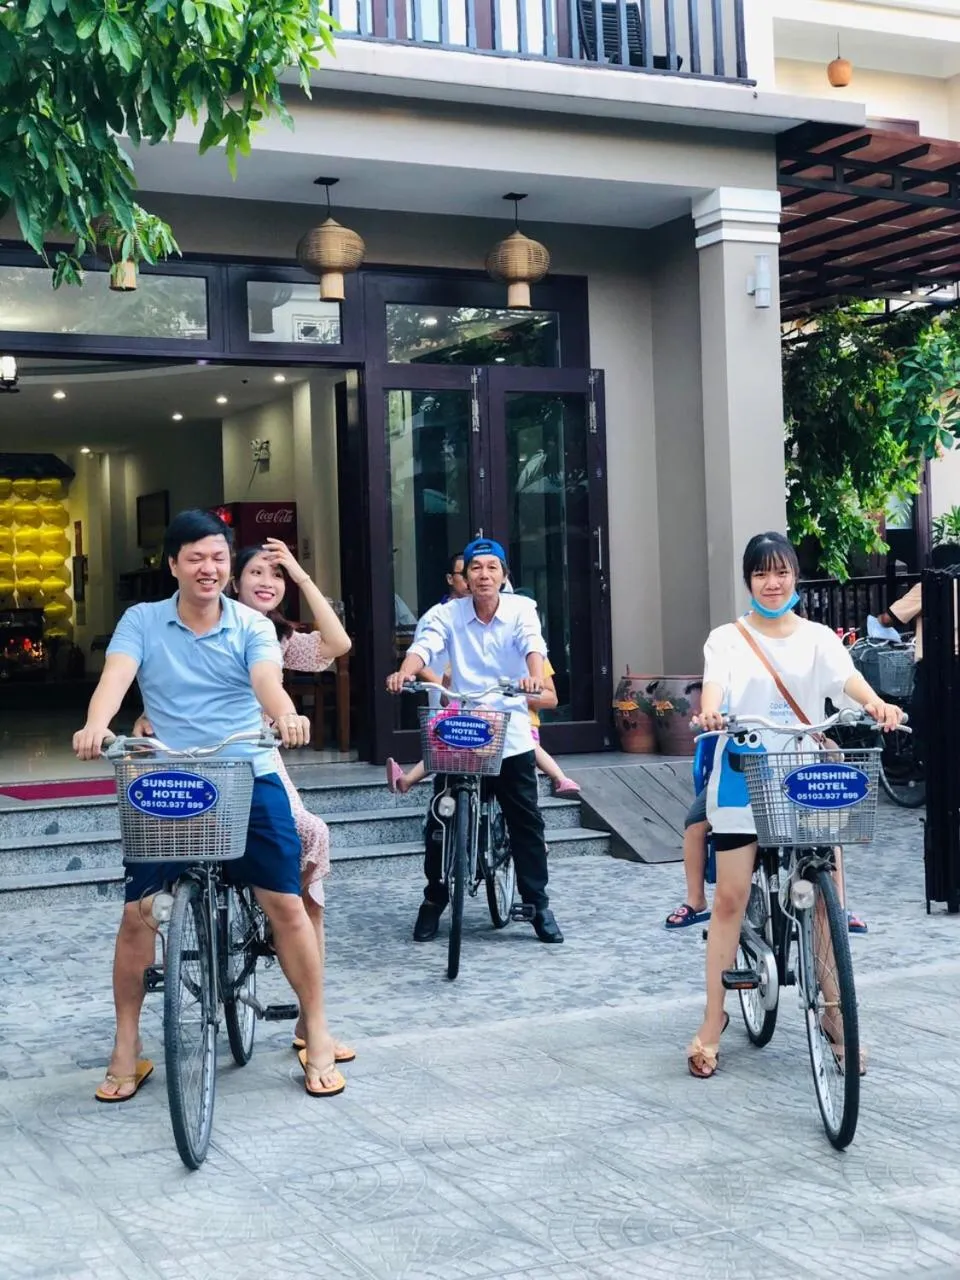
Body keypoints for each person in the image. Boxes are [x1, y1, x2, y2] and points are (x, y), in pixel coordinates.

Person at [74, 509, 346, 1101]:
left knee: (285, 901)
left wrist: (284, 715)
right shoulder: (141, 621)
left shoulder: (250, 622)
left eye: (219, 557)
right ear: (172, 564)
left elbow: (267, 681)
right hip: (167, 778)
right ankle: (127, 1045)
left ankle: (316, 1028)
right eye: (196, 557)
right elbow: (115, 680)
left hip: (245, 768)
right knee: (137, 913)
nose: (210, 567)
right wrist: (97, 725)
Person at [687, 531, 902, 1080]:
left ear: (795, 576)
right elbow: (715, 686)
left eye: (781, 571)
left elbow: (847, 679)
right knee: (731, 897)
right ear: (748, 581)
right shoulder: (727, 638)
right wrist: (712, 712)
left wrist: (877, 704)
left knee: (827, 896)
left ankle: (836, 1014)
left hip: (803, 772)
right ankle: (713, 1021)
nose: (773, 582)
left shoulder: (818, 637)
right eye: (761, 573)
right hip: (744, 770)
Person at [132, 537, 355, 1064]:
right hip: (194, 760)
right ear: (233, 578)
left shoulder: (277, 636)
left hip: (255, 760)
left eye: (275, 577)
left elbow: (339, 644)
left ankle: (305, 998)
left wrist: (301, 575)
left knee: (309, 839)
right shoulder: (202, 623)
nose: (266, 582)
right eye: (257, 571)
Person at [386, 536, 564, 944]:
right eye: (475, 568)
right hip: (462, 730)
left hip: (509, 730)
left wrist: (533, 675)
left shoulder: (522, 609)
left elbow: (531, 644)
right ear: (463, 576)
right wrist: (407, 670)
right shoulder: (446, 614)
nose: (483, 575)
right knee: (439, 818)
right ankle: (434, 899)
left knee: (526, 820)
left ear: (503, 575)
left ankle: (537, 903)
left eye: (492, 567)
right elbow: (424, 646)